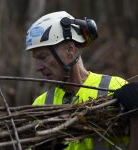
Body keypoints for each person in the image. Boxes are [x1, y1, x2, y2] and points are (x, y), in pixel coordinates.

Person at [25, 11, 138, 150]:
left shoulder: (113, 88)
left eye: (43, 57)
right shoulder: (39, 106)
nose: (37, 67)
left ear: (70, 49)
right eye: (36, 60)